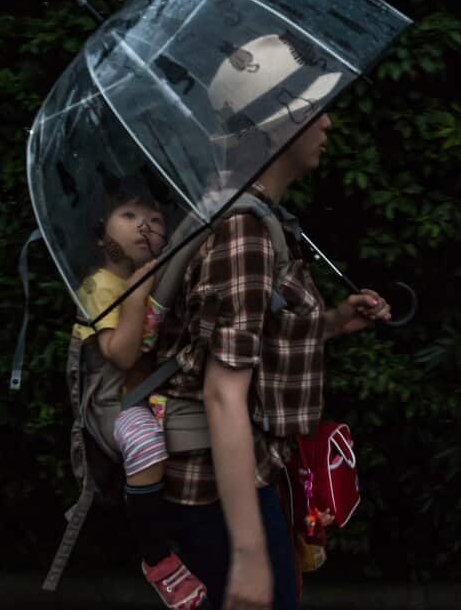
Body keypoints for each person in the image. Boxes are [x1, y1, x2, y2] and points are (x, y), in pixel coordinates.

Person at [155, 96, 392, 609]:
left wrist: (329, 324)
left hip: (242, 471)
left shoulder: (257, 216)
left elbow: (242, 340)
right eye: (313, 109)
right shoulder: (245, 231)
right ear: (270, 127)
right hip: (218, 489)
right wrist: (249, 555)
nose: (328, 121)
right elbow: (221, 392)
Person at [72, 181, 208, 610]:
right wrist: (136, 296)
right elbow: (120, 354)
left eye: (154, 219)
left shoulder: (161, 280)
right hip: (112, 400)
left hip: (147, 391)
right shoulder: (101, 285)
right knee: (146, 441)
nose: (143, 227)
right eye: (129, 217)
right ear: (101, 235)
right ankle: (157, 558)